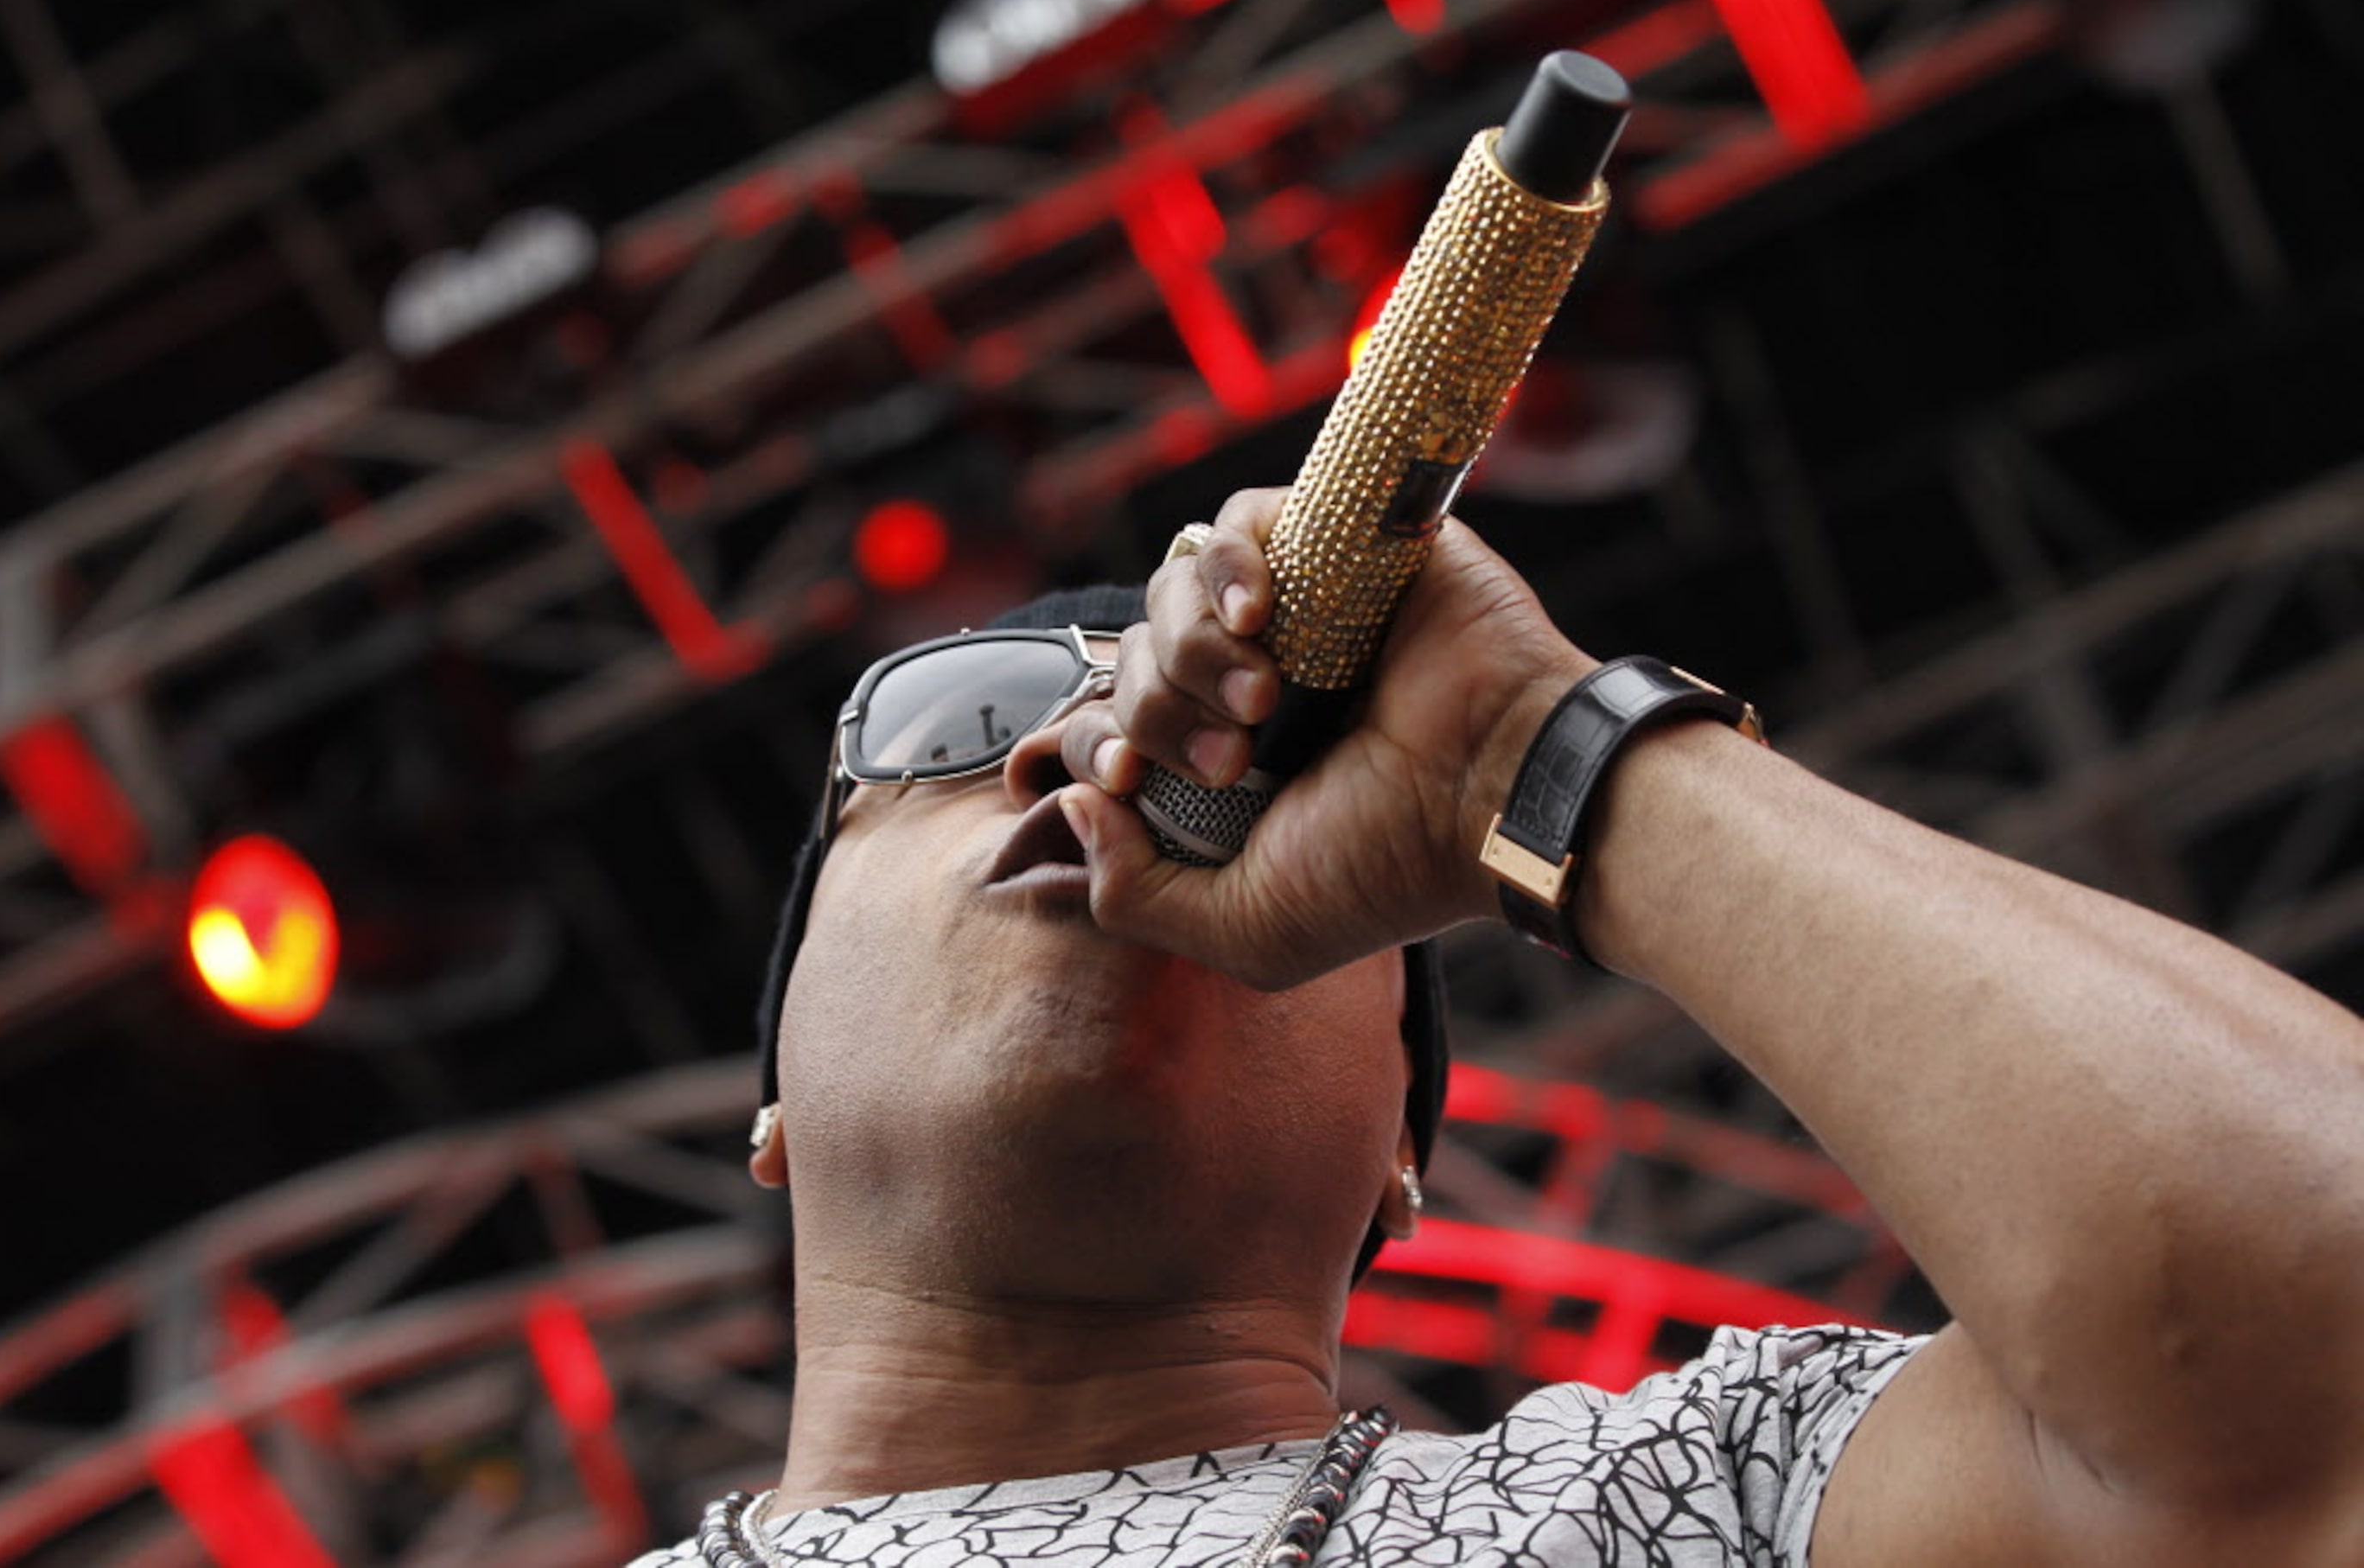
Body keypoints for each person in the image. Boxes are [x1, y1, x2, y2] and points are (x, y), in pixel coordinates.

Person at [632, 488, 2364, 1566]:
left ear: (1400, 1151)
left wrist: (1536, 757)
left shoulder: (1723, 1495)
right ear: (772, 1090)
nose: (1089, 751)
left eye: (1277, 773)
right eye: (967, 714)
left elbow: (2317, 1374)